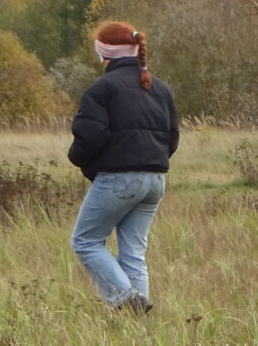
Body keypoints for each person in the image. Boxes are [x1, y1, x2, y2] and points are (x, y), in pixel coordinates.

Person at [68, 21, 179, 313]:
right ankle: (138, 326)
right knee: (133, 253)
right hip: (155, 181)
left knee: (86, 241)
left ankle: (124, 300)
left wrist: (81, 161)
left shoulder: (102, 88)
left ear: (104, 53)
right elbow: (172, 137)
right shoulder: (160, 88)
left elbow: (90, 137)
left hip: (119, 180)